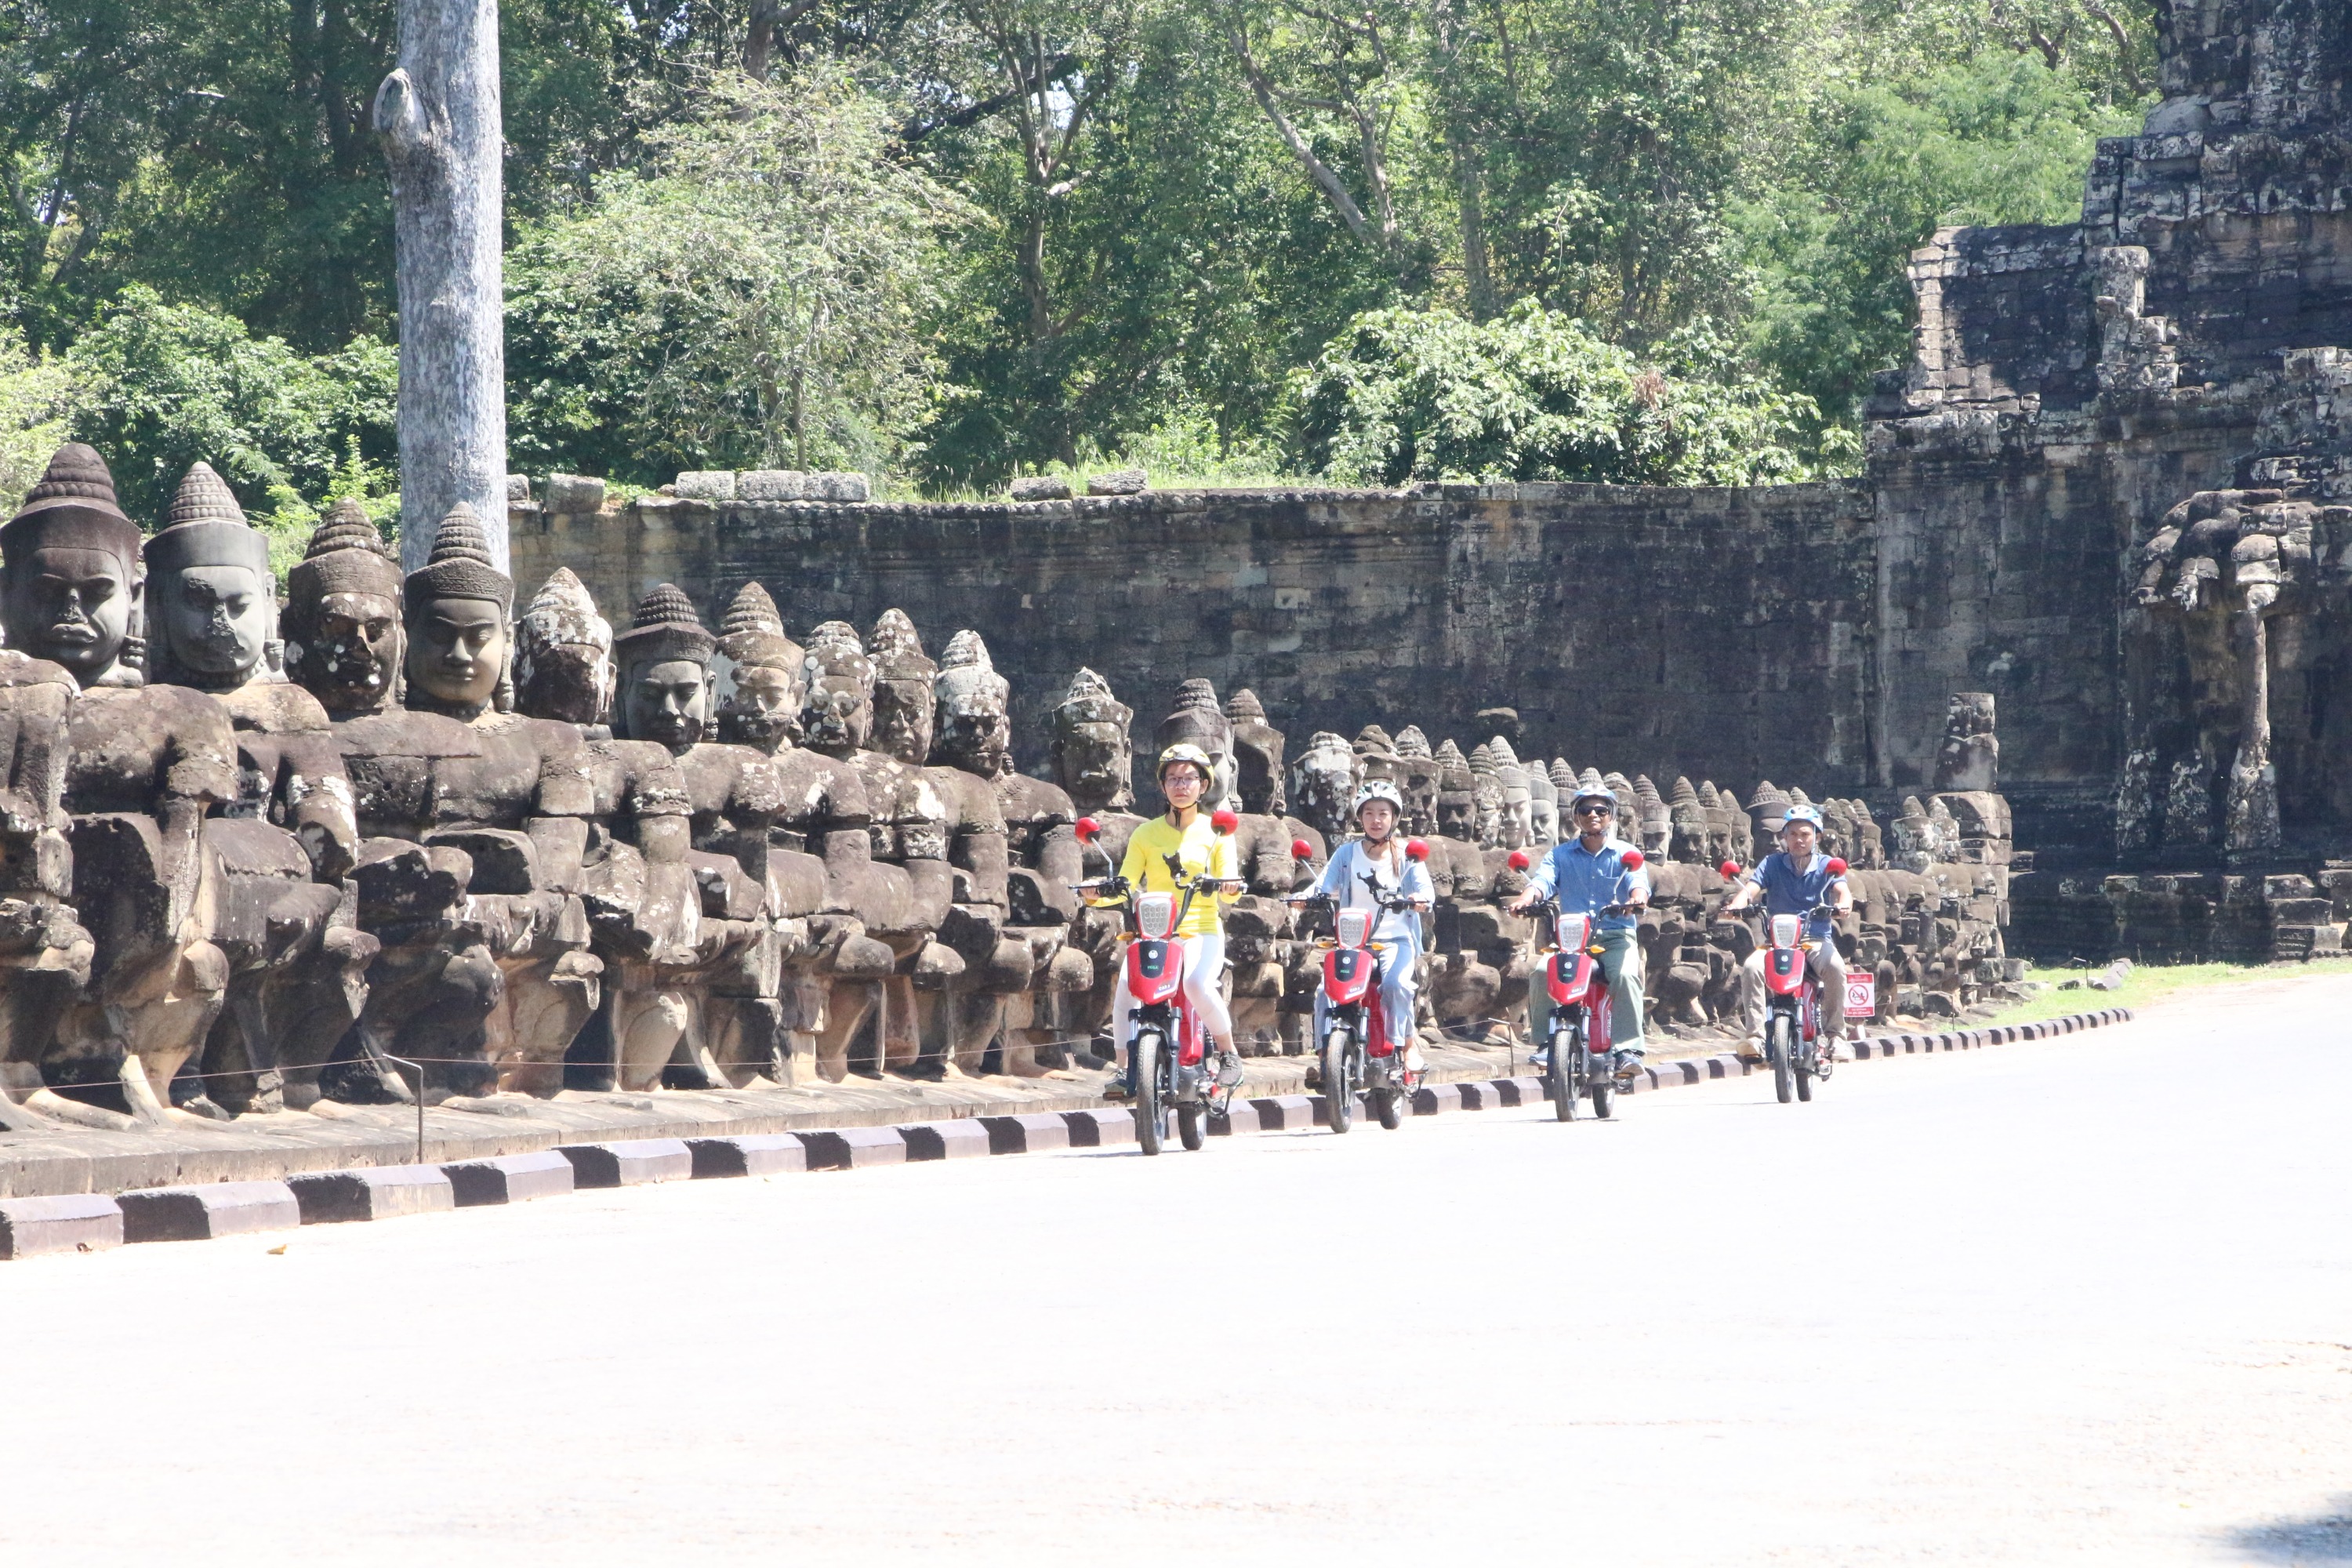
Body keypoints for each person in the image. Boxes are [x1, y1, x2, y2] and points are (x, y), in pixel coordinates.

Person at [1102, 743, 1247, 1098]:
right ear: (1163, 785)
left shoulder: (1218, 833)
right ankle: (1123, 1068)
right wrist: (1098, 894)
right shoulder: (1144, 834)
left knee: (1197, 984)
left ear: (1203, 785)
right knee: (1125, 988)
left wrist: (1229, 885)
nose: (1181, 785)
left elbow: (1230, 890)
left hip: (1201, 930)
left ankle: (1229, 1054)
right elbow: (1127, 883)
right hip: (1156, 934)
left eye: (1189, 779)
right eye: (1173, 779)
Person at [1506, 785, 1650, 1079]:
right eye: (1585, 810)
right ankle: (1546, 1042)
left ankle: (1628, 1051)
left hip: (1616, 936)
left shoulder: (1626, 854)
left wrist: (1636, 899)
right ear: (1575, 817)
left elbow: (1638, 882)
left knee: (1625, 976)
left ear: (1611, 816)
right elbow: (1543, 881)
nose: (1593, 815)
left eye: (1601, 810)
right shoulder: (1559, 855)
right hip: (1572, 940)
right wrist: (1526, 898)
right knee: (1541, 973)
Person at [1293, 781, 1434, 1079]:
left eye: (1383, 813)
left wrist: (1418, 900)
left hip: (1396, 939)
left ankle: (1407, 1045)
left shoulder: (1408, 855)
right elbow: (1323, 884)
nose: (1376, 819)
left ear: (1394, 817)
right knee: (1324, 992)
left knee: (1396, 985)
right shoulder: (1346, 853)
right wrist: (1304, 896)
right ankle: (1324, 1058)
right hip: (1353, 941)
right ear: (1360, 817)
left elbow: (1425, 891)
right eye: (1368, 813)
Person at [1718, 802, 1853, 1061]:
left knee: (1836, 967)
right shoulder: (1771, 864)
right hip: (1777, 942)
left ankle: (1836, 1036)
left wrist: (1844, 905)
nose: (1799, 840)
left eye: (1805, 834)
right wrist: (1735, 906)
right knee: (1751, 968)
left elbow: (1842, 890)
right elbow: (1751, 890)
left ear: (1817, 836)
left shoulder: (1827, 865)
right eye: (1793, 834)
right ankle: (1755, 1038)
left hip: (1814, 940)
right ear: (1785, 837)